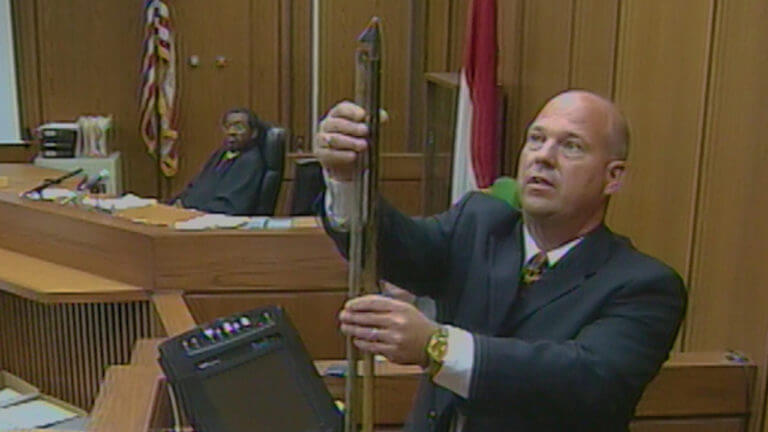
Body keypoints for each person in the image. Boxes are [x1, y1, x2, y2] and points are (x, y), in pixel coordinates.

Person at [314, 90, 687, 431]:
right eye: (537, 139)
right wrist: (346, 180)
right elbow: (397, 249)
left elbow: (587, 380)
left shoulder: (644, 285)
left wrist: (436, 345)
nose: (544, 156)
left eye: (571, 146)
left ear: (613, 177)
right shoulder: (479, 223)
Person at [174, 108, 270, 216]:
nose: (231, 132)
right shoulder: (221, 154)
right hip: (191, 214)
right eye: (227, 127)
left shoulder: (250, 161)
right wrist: (176, 203)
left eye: (238, 127)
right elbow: (197, 186)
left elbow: (231, 206)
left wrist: (191, 209)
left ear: (254, 133)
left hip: (216, 223)